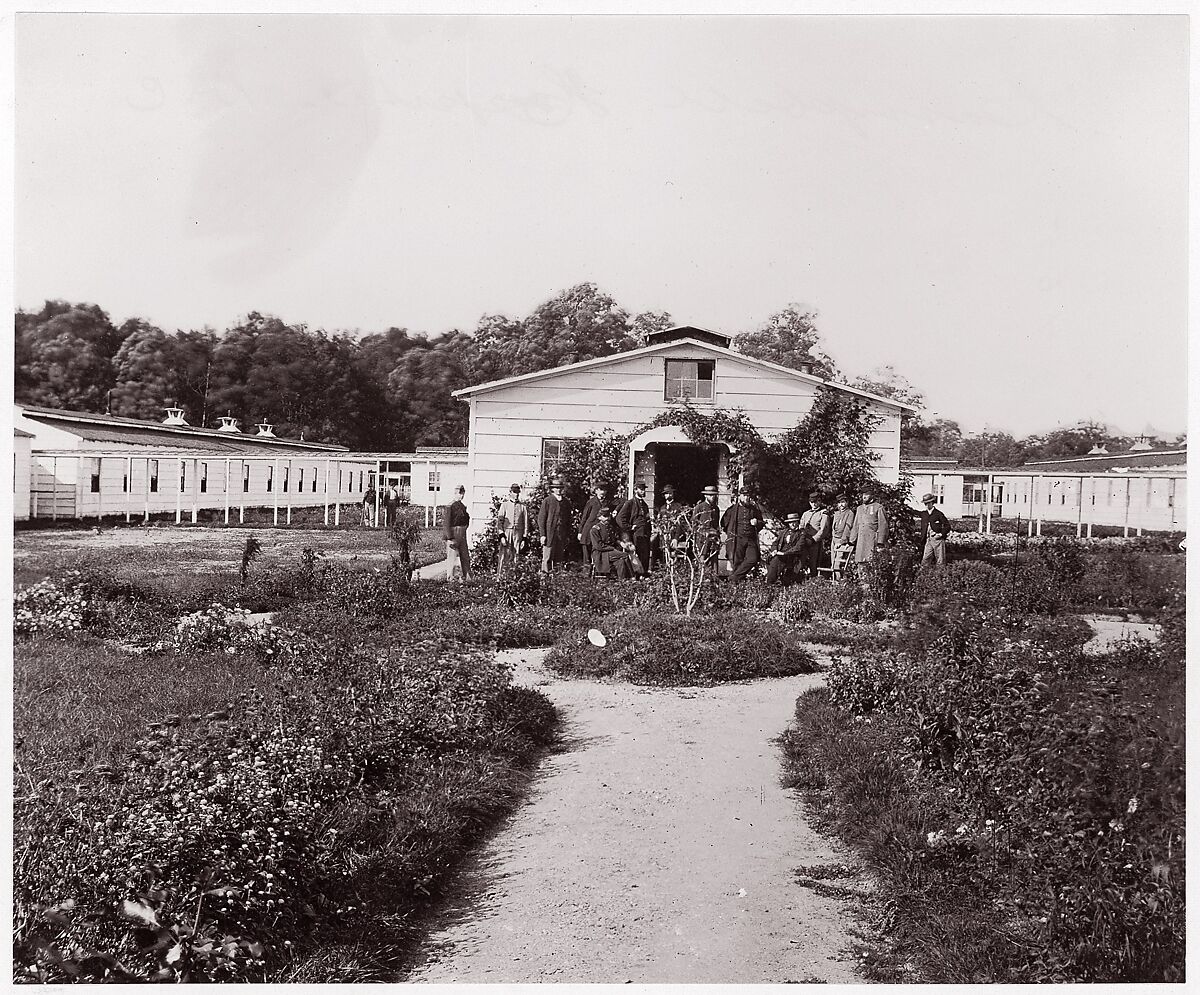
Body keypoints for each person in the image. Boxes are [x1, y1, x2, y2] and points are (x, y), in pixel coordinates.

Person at [721, 488, 764, 583]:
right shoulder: (732, 510)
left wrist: (757, 522)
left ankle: (733, 578)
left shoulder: (754, 509)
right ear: (739, 496)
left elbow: (762, 523)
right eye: (744, 495)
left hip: (751, 539)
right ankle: (736, 585)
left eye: (748, 495)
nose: (747, 498)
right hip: (737, 539)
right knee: (737, 562)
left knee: (753, 559)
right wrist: (730, 533)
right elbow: (723, 523)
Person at [537, 475, 573, 574]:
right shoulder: (548, 501)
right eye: (556, 488)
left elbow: (568, 520)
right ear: (552, 489)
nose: (558, 490)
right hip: (549, 534)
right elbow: (541, 519)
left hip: (561, 534)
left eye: (560, 488)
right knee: (547, 557)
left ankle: (556, 580)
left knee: (559, 558)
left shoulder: (566, 502)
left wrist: (567, 535)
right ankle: (545, 579)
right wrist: (542, 534)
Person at [616, 479, 652, 577]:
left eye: (644, 489)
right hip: (635, 534)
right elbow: (619, 518)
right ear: (635, 490)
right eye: (640, 489)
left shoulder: (644, 505)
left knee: (645, 556)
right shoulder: (630, 503)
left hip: (645, 534)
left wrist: (650, 532)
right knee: (636, 556)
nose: (643, 491)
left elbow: (648, 520)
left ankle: (643, 575)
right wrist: (629, 528)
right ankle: (635, 576)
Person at [849, 484, 889, 567]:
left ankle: (869, 579)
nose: (864, 497)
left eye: (867, 494)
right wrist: (852, 540)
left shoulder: (878, 507)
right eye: (863, 495)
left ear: (872, 496)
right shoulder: (859, 508)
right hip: (861, 540)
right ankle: (861, 579)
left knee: (871, 562)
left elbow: (883, 525)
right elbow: (856, 525)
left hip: (872, 540)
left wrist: (880, 542)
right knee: (860, 561)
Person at [588, 506, 631, 580]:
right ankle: (632, 577)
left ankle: (622, 581)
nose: (607, 518)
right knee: (625, 555)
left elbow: (614, 539)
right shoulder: (595, 530)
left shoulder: (610, 528)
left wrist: (621, 543)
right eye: (604, 516)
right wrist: (613, 549)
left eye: (608, 516)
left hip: (610, 553)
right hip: (600, 554)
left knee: (621, 561)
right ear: (599, 517)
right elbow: (599, 546)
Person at [495, 483, 528, 579]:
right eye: (514, 492)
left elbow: (526, 524)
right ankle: (501, 578)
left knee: (516, 556)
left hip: (518, 534)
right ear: (510, 492)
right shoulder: (505, 505)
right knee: (504, 555)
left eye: (518, 492)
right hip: (507, 533)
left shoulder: (523, 507)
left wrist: (524, 538)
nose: (516, 494)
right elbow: (500, 522)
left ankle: (514, 579)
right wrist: (501, 536)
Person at [765, 512, 807, 585]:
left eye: (794, 522)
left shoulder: (801, 533)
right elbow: (775, 543)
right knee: (773, 561)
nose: (792, 524)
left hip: (793, 556)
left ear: (797, 522)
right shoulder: (784, 532)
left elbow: (798, 547)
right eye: (790, 523)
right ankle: (770, 583)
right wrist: (774, 550)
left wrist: (784, 553)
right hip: (781, 555)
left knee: (788, 573)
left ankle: (782, 583)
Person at [691, 484, 722, 579]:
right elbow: (694, 524)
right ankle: (701, 579)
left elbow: (716, 524)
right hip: (702, 538)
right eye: (710, 495)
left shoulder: (716, 508)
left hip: (713, 537)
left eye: (713, 495)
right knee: (702, 559)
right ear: (705, 496)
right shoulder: (700, 507)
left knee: (714, 559)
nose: (712, 497)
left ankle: (714, 580)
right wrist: (699, 534)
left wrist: (717, 536)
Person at [798, 491, 832, 578]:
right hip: (804, 541)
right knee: (800, 561)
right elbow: (801, 526)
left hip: (815, 542)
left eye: (816, 502)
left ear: (819, 502)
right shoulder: (806, 514)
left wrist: (813, 539)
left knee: (814, 563)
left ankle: (814, 580)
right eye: (812, 502)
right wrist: (802, 537)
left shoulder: (823, 513)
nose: (814, 504)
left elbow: (824, 529)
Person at [442, 484, 473, 582]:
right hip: (453, 532)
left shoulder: (462, 506)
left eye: (463, 494)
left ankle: (467, 577)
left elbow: (466, 518)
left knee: (465, 556)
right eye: (459, 494)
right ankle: (450, 578)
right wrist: (450, 537)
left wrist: (465, 527)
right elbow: (446, 523)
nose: (461, 496)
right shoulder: (450, 506)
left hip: (462, 533)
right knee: (452, 556)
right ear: (455, 494)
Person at [578, 483, 609, 576]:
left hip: (598, 533)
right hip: (587, 532)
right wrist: (580, 531)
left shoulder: (606, 503)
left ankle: (596, 574)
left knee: (597, 554)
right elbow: (584, 517)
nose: (602, 492)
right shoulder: (591, 502)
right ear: (596, 491)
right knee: (586, 556)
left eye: (604, 490)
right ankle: (586, 576)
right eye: (600, 490)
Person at [654, 484, 688, 566]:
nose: (668, 495)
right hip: (664, 536)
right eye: (666, 493)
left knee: (674, 556)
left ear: (673, 494)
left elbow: (680, 524)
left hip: (675, 536)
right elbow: (659, 522)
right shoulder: (662, 508)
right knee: (662, 553)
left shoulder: (678, 507)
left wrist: (676, 538)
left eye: (670, 493)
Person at [919, 492, 950, 569]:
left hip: (937, 540)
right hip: (928, 540)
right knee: (925, 559)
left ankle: (940, 575)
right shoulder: (924, 514)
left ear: (932, 503)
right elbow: (913, 512)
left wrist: (941, 534)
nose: (926, 505)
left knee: (940, 560)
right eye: (925, 504)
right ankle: (924, 576)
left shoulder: (938, 514)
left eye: (928, 503)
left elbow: (947, 526)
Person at [830, 493, 856, 578]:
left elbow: (847, 529)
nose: (841, 505)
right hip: (834, 540)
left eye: (843, 502)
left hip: (842, 541)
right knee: (832, 562)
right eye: (839, 503)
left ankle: (839, 581)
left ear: (847, 502)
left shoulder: (850, 513)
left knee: (837, 565)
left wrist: (841, 542)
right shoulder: (836, 513)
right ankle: (834, 582)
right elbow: (834, 527)